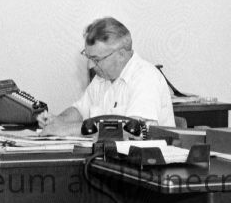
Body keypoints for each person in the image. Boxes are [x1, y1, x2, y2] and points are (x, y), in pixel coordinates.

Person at [38, 16, 176, 134]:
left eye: (96, 59)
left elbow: (132, 132)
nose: (90, 66)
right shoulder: (101, 78)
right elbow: (80, 111)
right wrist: (58, 120)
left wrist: (68, 129)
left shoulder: (145, 77)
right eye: (88, 58)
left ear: (121, 55)